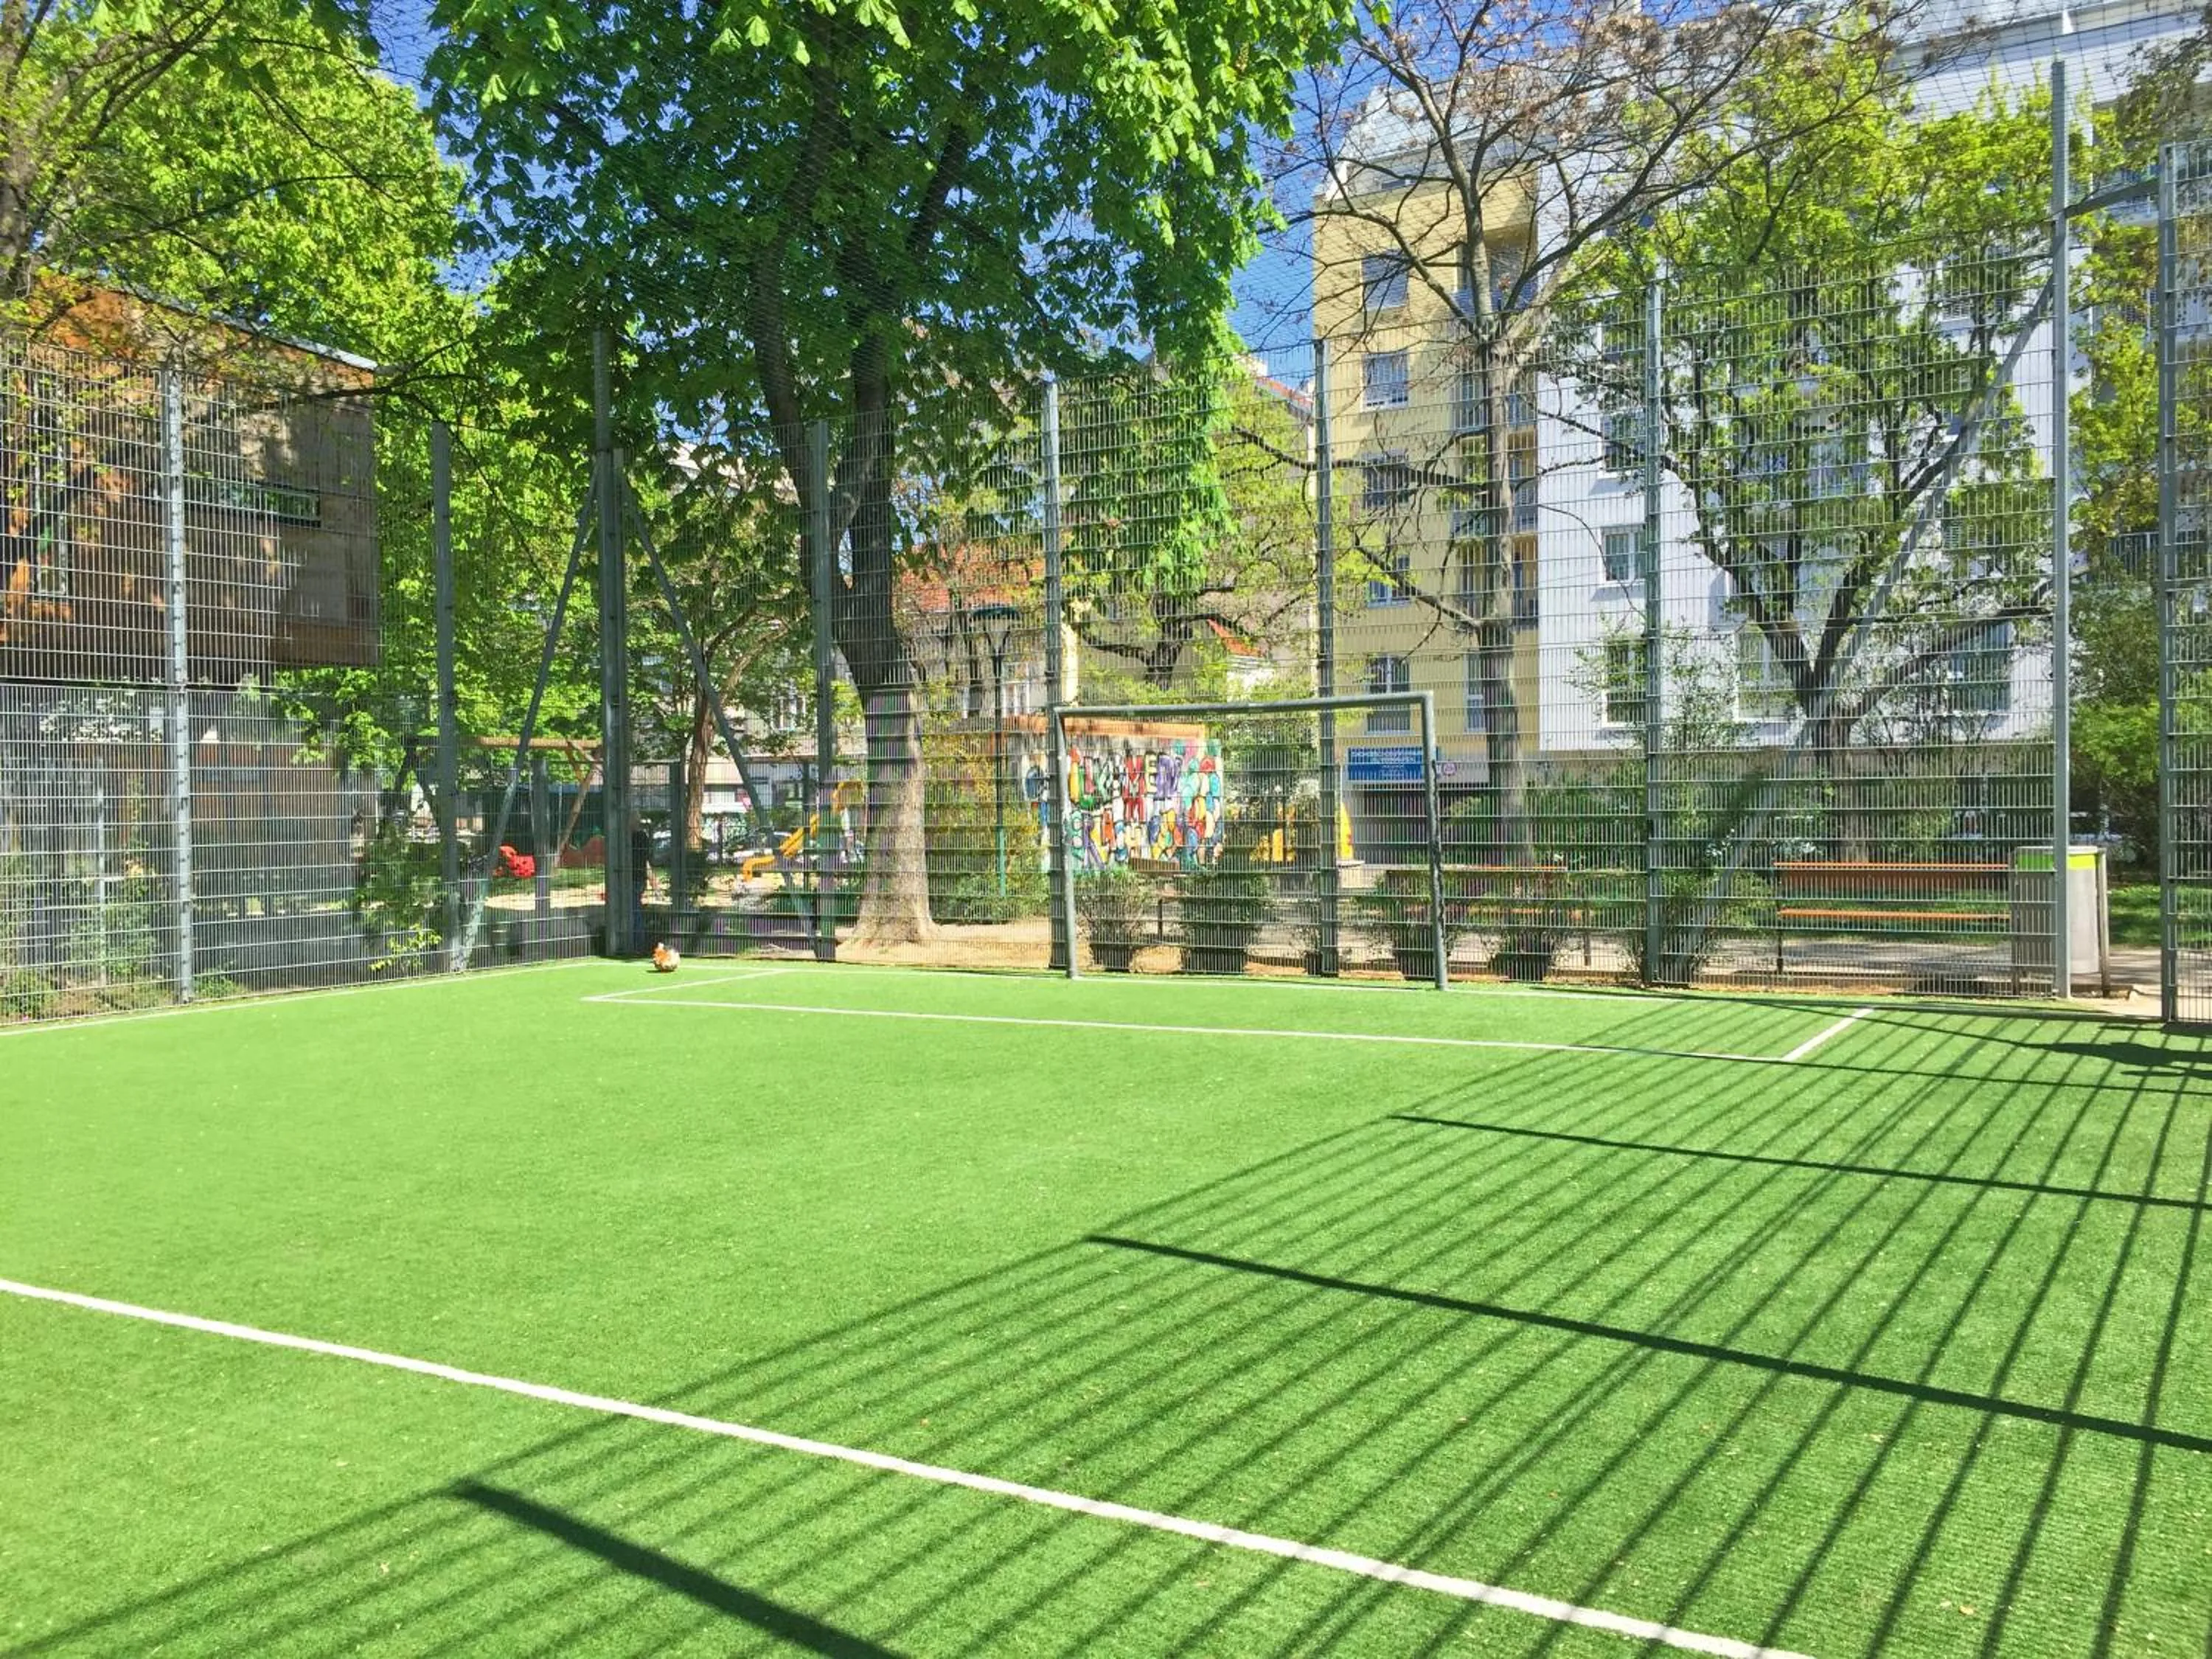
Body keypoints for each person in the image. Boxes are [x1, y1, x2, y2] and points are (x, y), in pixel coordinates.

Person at [628, 815, 653, 955]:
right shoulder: (643, 837)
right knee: (635, 911)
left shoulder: (631, 839)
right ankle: (637, 944)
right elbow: (646, 861)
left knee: (634, 912)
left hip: (633, 879)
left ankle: (636, 945)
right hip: (640, 879)